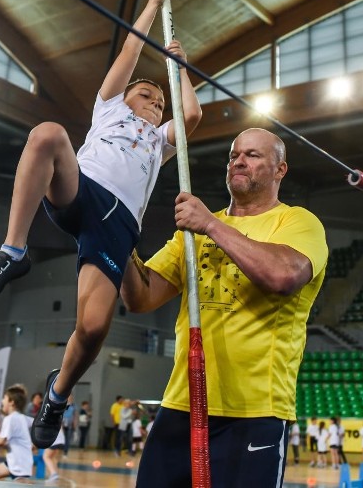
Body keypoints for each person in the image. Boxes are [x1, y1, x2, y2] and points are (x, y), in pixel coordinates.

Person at [0, 0, 202, 449]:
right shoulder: (110, 111)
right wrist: (153, 3)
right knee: (49, 133)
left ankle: (56, 394)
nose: (154, 104)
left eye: (159, 102)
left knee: (93, 329)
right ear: (123, 99)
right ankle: (12, 250)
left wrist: (181, 73)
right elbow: (130, 53)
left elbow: (191, 116)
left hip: (117, 227)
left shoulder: (159, 143)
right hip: (83, 190)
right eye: (146, 96)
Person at [120, 128, 328, 487]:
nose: (238, 162)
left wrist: (211, 225)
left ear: (280, 170)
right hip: (182, 406)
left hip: (254, 412)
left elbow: (282, 276)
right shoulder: (193, 230)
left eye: (252, 155)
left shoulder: (296, 221)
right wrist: (118, 237)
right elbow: (141, 297)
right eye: (233, 155)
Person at [0, 384, 33, 481]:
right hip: (18, 461)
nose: (2, 401)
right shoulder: (21, 417)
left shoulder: (10, 419)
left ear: (12, 402)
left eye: (4, 398)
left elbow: (1, 441)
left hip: (19, 462)